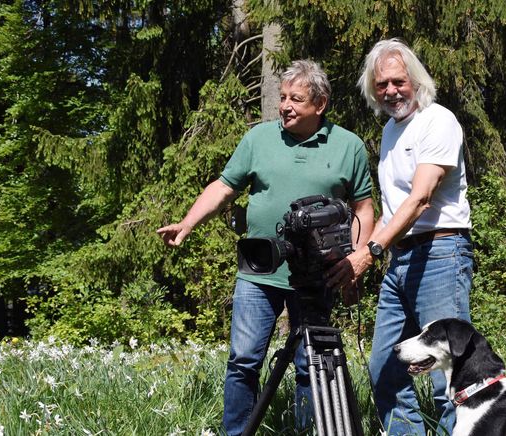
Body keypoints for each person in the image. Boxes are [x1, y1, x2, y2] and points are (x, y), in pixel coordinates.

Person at [156, 60, 374, 436]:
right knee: (243, 360)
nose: (285, 105)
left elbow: (363, 209)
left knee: (313, 365)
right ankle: (237, 433)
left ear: (320, 104)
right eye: (283, 97)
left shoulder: (348, 145)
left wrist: (356, 261)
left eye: (297, 99)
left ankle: (308, 432)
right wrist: (187, 223)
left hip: (318, 274)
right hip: (259, 271)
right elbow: (223, 187)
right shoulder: (257, 139)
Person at [326, 38, 473, 435]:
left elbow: (421, 198)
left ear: (416, 80)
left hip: (442, 253)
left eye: (398, 81)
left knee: (450, 375)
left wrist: (370, 252)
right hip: (401, 259)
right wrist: (355, 261)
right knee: (386, 368)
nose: (391, 91)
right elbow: (389, 210)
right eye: (381, 85)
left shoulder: (438, 120)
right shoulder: (391, 130)